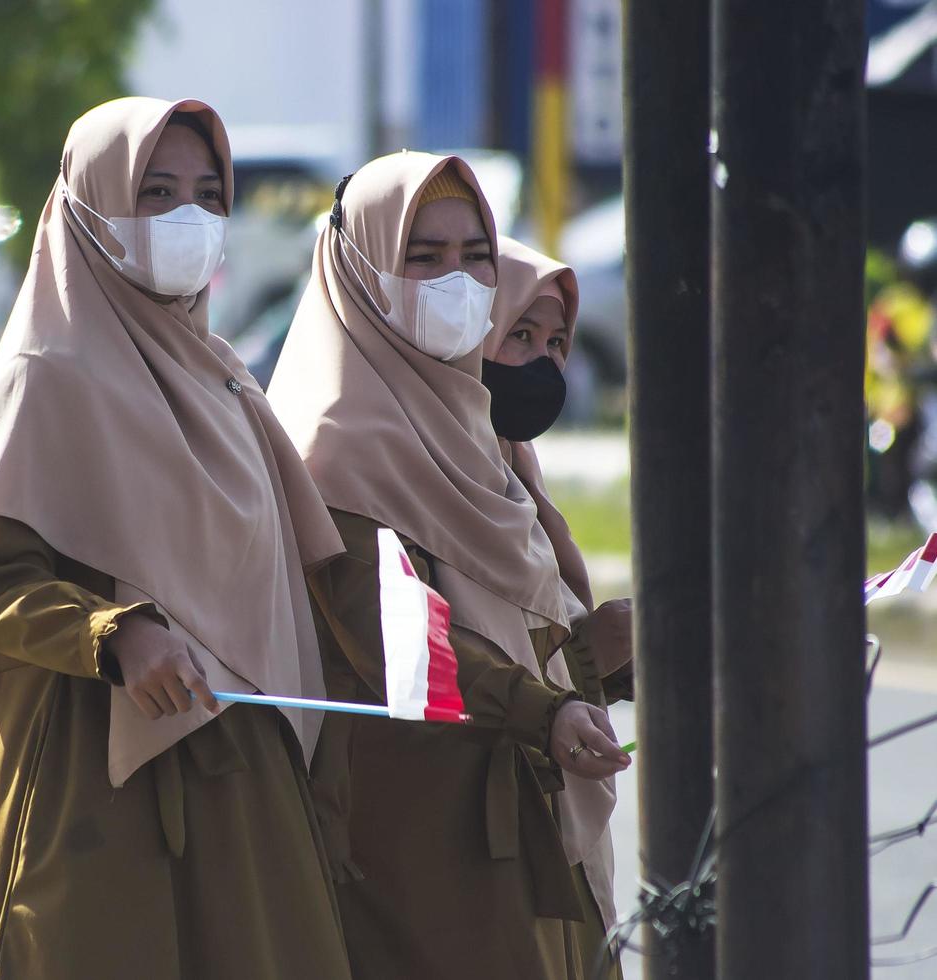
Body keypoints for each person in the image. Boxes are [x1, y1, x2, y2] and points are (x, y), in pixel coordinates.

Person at [0, 97, 353, 980]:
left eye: (205, 195)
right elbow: (0, 589)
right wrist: (119, 633)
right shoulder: (46, 376)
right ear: (88, 208)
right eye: (155, 192)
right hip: (100, 781)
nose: (187, 218)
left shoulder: (224, 384)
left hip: (239, 782)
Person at [267, 150, 630, 980]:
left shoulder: (473, 430)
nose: (457, 281)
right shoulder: (335, 444)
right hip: (418, 821)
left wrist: (608, 651)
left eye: (474, 256)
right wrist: (548, 706)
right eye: (421, 258)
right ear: (358, 271)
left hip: (526, 798)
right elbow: (392, 636)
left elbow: (525, 620)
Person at [484, 235, 635, 974]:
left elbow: (538, 629)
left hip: (540, 790)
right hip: (465, 821)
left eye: (556, 342)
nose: (542, 362)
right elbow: (435, 652)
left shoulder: (509, 465)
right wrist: (587, 653)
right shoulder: (383, 460)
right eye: (518, 335)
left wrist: (626, 653)